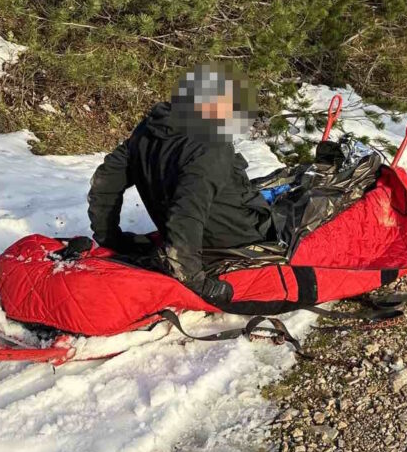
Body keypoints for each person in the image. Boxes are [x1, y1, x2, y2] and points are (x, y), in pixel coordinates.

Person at [87, 64, 272, 303]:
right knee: (288, 213)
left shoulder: (147, 130)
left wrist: (108, 236)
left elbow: (105, 180)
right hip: (234, 242)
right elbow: (186, 213)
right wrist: (194, 280)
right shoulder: (212, 146)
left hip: (193, 232)